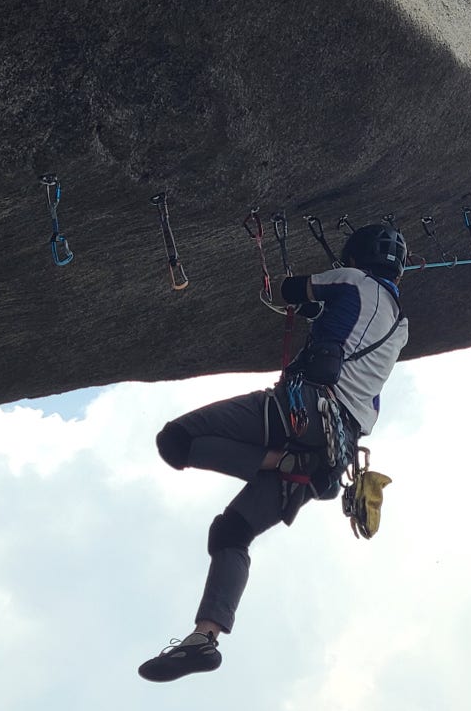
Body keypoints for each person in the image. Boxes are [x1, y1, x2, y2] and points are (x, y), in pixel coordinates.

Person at [138, 223, 409, 683]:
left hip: (298, 412)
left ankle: (279, 463)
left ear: (357, 254)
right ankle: (205, 639)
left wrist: (306, 300)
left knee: (176, 441)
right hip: (332, 451)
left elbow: (288, 289)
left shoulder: (351, 279)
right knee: (232, 531)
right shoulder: (401, 326)